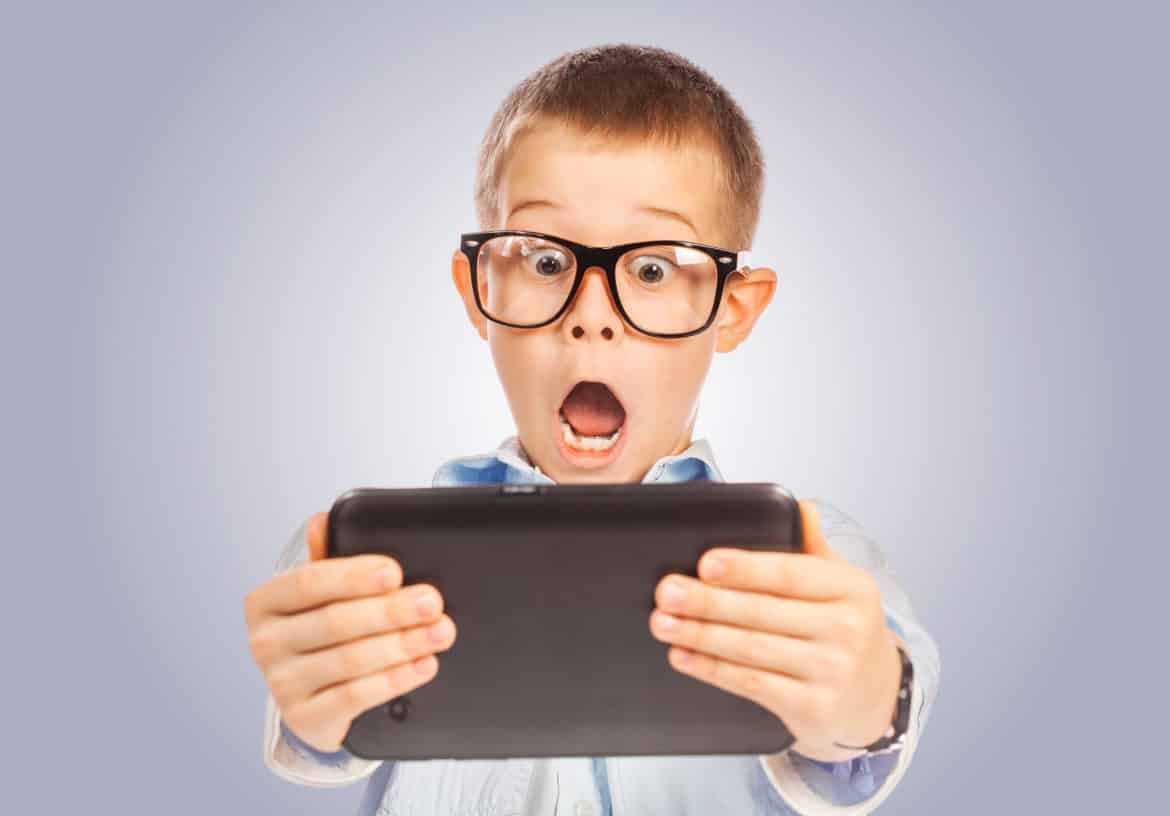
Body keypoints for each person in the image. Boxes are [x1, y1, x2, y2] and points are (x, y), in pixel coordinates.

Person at [243, 43, 941, 815]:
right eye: (544, 261)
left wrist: (867, 700)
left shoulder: (811, 556)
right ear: (479, 289)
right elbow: (322, 738)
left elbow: (882, 703)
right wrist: (318, 705)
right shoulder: (370, 562)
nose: (590, 317)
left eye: (651, 270)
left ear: (733, 309)